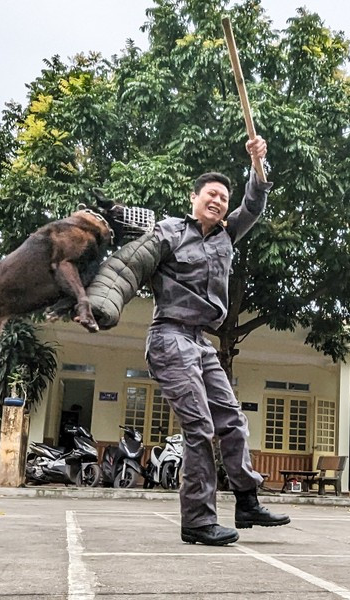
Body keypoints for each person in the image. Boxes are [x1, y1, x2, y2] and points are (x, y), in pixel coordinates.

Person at [145, 135, 290, 546]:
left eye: (224, 197)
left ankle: (246, 500)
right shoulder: (170, 232)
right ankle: (197, 521)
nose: (219, 201)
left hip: (201, 342)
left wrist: (257, 164)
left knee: (232, 420)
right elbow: (133, 263)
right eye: (211, 194)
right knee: (199, 428)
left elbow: (255, 204)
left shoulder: (227, 236)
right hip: (170, 336)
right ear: (194, 197)